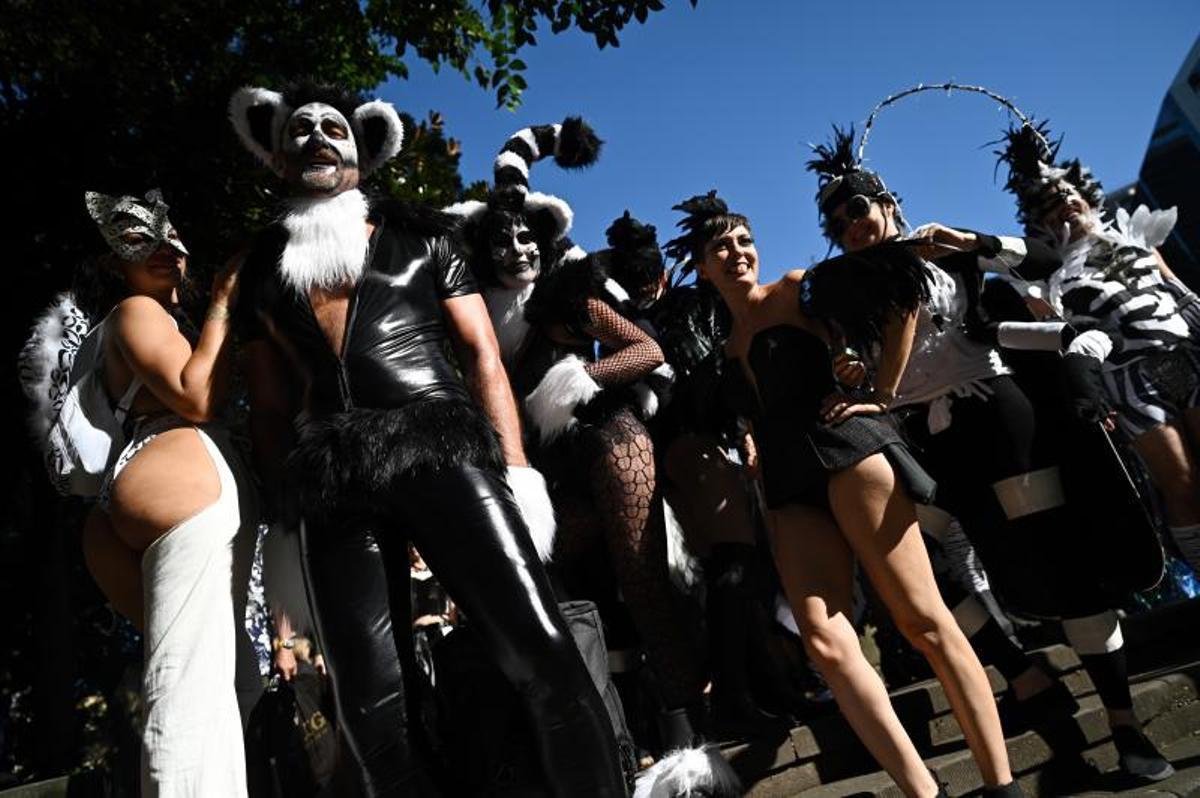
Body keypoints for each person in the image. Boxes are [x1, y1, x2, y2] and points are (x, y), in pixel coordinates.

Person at [227, 81, 625, 796]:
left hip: (439, 445)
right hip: (333, 483)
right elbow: (267, 405)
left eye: (335, 128)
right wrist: (285, 507)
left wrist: (515, 468)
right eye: (301, 129)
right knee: (370, 713)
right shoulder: (258, 271)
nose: (318, 136)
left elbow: (482, 357)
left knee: (542, 656)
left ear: (365, 149)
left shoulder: (427, 236)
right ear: (274, 153)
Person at [808, 124, 1174, 783]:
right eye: (836, 220)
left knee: (1065, 567)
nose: (850, 223)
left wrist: (975, 242)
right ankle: (1023, 672)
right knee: (925, 566)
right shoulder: (841, 294)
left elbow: (1039, 262)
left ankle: (1124, 725)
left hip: (997, 419)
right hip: (922, 438)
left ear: (886, 202)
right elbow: (860, 361)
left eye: (858, 207)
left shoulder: (944, 254)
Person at [667, 191, 1019, 798]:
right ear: (701, 266)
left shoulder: (798, 289)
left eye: (744, 241)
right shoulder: (720, 343)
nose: (736, 252)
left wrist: (881, 390)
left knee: (920, 619)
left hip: (847, 449)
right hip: (784, 485)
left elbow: (899, 289)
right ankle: (924, 793)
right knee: (827, 645)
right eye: (720, 246)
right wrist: (749, 439)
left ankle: (1001, 786)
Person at [448, 124, 739, 794]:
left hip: (609, 437)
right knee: (575, 597)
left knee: (641, 576)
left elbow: (647, 349)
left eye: (527, 237)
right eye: (502, 240)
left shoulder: (568, 300)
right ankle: (621, 741)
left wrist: (584, 381)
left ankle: (690, 743)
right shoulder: (470, 319)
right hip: (546, 475)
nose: (516, 248)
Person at [20, 188, 254, 796]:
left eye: (172, 240)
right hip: (179, 493)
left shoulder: (125, 331)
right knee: (188, 690)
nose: (165, 250)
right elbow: (198, 396)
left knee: (213, 679)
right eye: (139, 242)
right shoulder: (138, 312)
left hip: (120, 515)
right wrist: (225, 300)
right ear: (110, 263)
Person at [992, 121, 1200, 580]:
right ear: (1038, 222)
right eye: (1048, 204)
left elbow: (1181, 294)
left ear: (1086, 194)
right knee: (1182, 485)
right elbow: (1057, 334)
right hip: (1131, 382)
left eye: (1068, 194)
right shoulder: (1044, 276)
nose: (1064, 205)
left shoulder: (1138, 238)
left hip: (1186, 355)